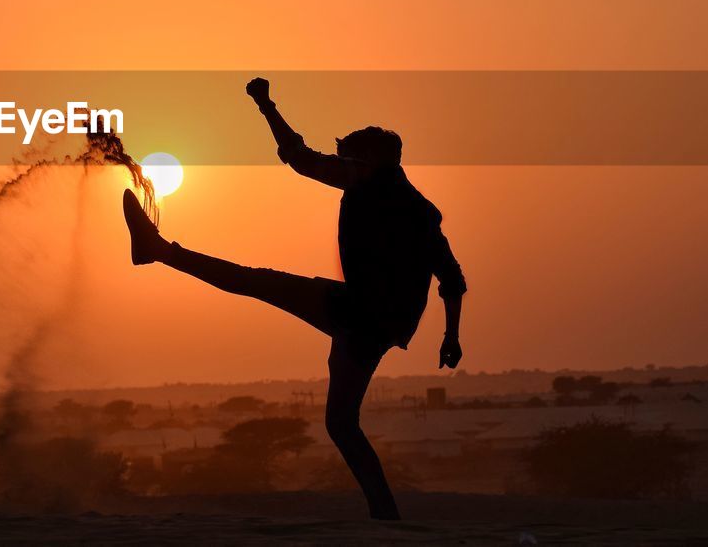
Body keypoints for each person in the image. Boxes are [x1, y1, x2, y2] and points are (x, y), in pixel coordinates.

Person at [121, 77, 467, 520]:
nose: (341, 165)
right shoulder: (387, 192)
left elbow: (451, 279)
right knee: (340, 423)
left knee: (258, 285)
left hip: (366, 321)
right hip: (363, 312)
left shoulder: (396, 201)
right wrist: (266, 106)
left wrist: (451, 336)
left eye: (349, 160)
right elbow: (300, 159)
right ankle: (385, 514)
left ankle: (159, 251)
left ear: (373, 163)